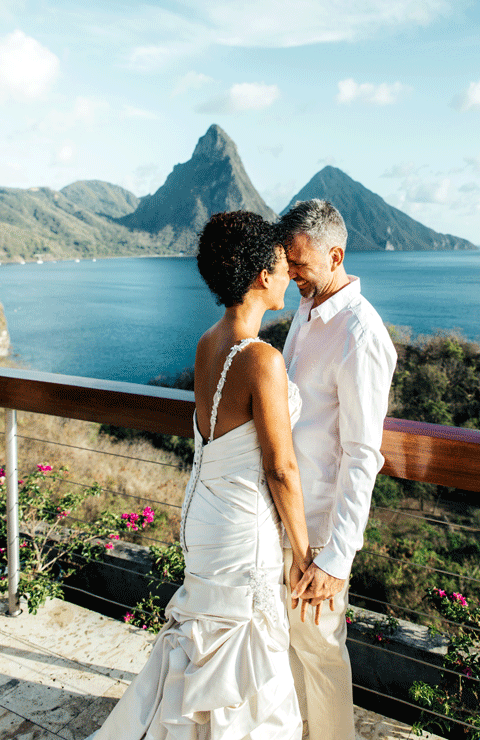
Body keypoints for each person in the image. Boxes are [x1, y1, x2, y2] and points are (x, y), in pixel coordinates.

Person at [89, 211, 315, 740]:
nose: (289, 276)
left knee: (208, 635)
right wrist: (305, 554)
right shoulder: (262, 360)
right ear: (263, 274)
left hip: (206, 513)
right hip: (242, 525)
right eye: (283, 266)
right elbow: (280, 469)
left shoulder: (207, 341)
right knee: (243, 648)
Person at [278, 199, 398, 740]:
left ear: (336, 255)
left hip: (322, 529)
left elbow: (362, 454)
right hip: (286, 519)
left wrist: (336, 556)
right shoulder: (306, 312)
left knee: (321, 654)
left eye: (299, 263)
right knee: (286, 649)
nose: (291, 273)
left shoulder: (361, 334)